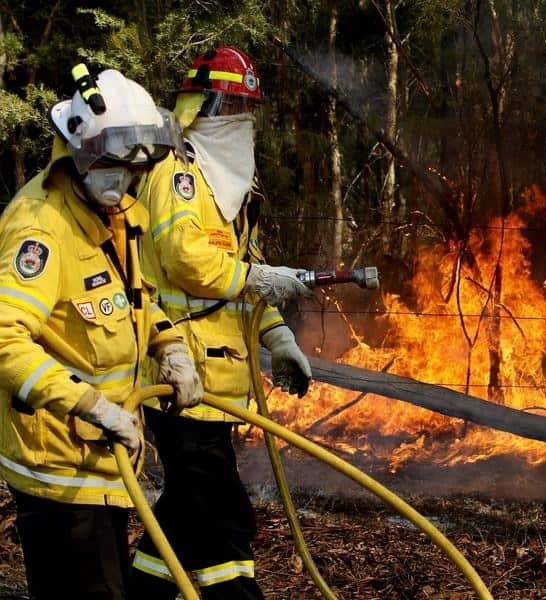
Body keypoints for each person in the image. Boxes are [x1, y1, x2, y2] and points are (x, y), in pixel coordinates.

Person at [0, 65, 204, 600]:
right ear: (78, 154)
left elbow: (132, 301)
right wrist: (90, 405)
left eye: (133, 170)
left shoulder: (114, 216)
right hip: (61, 474)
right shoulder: (41, 228)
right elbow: (5, 340)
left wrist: (170, 344)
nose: (123, 181)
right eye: (111, 166)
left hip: (106, 463)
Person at [130, 47, 313, 599]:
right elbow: (191, 260)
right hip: (177, 377)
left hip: (219, 385)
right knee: (222, 511)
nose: (239, 118)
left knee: (188, 512)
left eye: (246, 106)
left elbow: (246, 280)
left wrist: (279, 338)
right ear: (200, 106)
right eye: (229, 104)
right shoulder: (175, 173)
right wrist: (258, 278)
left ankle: (146, 588)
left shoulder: (230, 191)